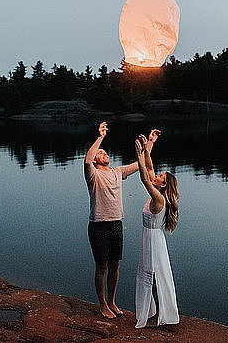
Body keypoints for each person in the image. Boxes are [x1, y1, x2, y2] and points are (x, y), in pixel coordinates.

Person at [84, 121, 159, 319]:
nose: (104, 154)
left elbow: (139, 164)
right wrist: (100, 137)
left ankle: (112, 302)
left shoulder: (117, 172)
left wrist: (150, 144)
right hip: (99, 225)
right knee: (102, 266)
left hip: (117, 224)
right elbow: (86, 161)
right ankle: (102, 306)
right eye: (100, 154)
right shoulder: (93, 174)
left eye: (105, 152)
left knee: (115, 265)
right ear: (96, 161)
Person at [134, 133, 180, 328]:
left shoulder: (159, 199)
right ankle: (155, 310)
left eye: (160, 177)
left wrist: (138, 156)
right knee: (151, 275)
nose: (157, 175)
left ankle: (161, 313)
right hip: (151, 237)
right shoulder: (159, 193)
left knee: (153, 276)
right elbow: (150, 168)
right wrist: (148, 146)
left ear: (163, 185)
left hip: (153, 240)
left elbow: (145, 179)